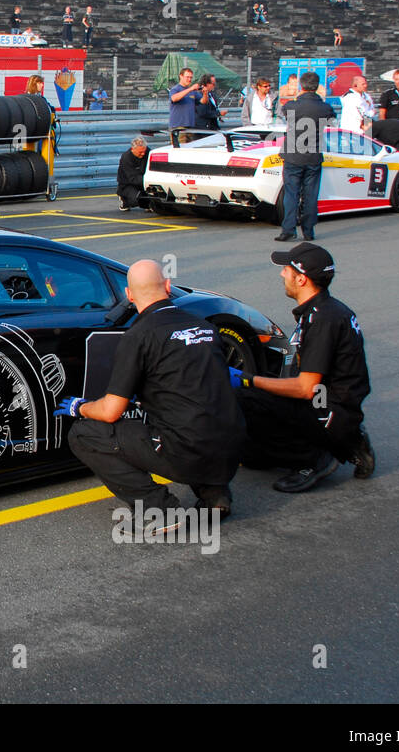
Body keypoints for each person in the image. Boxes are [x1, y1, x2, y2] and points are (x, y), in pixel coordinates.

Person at [60, 259, 244, 523]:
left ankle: (160, 509)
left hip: (189, 452)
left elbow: (111, 411)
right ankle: (216, 496)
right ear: (168, 286)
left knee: (83, 434)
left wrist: (80, 407)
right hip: (232, 449)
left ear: (129, 295)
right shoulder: (205, 328)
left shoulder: (138, 336)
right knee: (191, 417)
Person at [234, 243, 374, 493]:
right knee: (250, 450)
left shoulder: (322, 320)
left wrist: (248, 380)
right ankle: (342, 438)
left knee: (244, 398)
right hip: (332, 401)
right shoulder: (324, 309)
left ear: (301, 279)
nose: (281, 274)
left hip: (328, 409)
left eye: (286, 269)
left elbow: (305, 389)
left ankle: (315, 457)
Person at [276, 71, 333, 242]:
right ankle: (308, 231)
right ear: (317, 86)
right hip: (313, 155)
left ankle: (288, 229)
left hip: (293, 155)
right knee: (310, 195)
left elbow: (283, 112)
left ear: (301, 86)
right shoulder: (324, 107)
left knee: (291, 194)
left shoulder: (292, 106)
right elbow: (331, 119)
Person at [116, 136, 148, 211]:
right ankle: (124, 199)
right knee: (137, 199)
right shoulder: (126, 158)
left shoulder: (147, 152)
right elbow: (132, 178)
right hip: (127, 183)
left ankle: (148, 204)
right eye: (140, 152)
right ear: (133, 149)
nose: (143, 154)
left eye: (144, 151)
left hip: (142, 180)